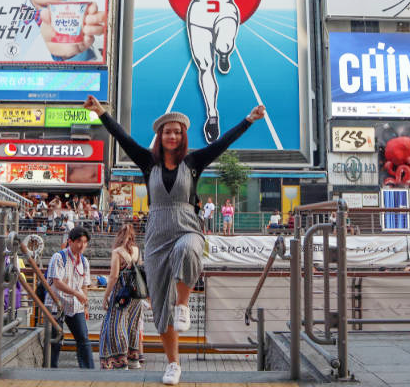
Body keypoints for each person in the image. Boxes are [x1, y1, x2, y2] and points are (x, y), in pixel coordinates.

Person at [84, 94, 265, 385]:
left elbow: (222, 143)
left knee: (190, 249)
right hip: (156, 237)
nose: (172, 135)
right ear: (160, 136)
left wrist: (248, 120)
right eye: (167, 131)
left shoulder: (193, 162)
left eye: (177, 132)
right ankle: (173, 365)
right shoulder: (147, 162)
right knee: (159, 307)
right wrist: (101, 112)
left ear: (182, 137)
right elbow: (122, 136)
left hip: (187, 227)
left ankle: (183, 304)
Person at [139, 0, 290, 142]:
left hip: (225, 12)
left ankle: (224, 52)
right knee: (204, 66)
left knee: (224, 43)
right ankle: (212, 115)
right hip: (198, 16)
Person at [44, 227, 94, 369]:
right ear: (70, 242)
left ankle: (88, 371)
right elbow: (57, 282)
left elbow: (85, 285)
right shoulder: (59, 257)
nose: (82, 245)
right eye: (79, 241)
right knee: (56, 340)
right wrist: (77, 294)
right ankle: (50, 370)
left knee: (83, 339)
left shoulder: (84, 261)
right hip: (56, 303)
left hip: (75, 305)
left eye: (85, 242)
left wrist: (85, 306)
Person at [99, 224, 144, 369]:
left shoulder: (117, 252)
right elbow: (140, 270)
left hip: (121, 293)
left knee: (114, 325)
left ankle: (119, 359)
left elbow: (113, 277)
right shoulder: (137, 251)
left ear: (119, 235)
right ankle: (133, 359)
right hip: (136, 295)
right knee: (133, 325)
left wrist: (106, 296)